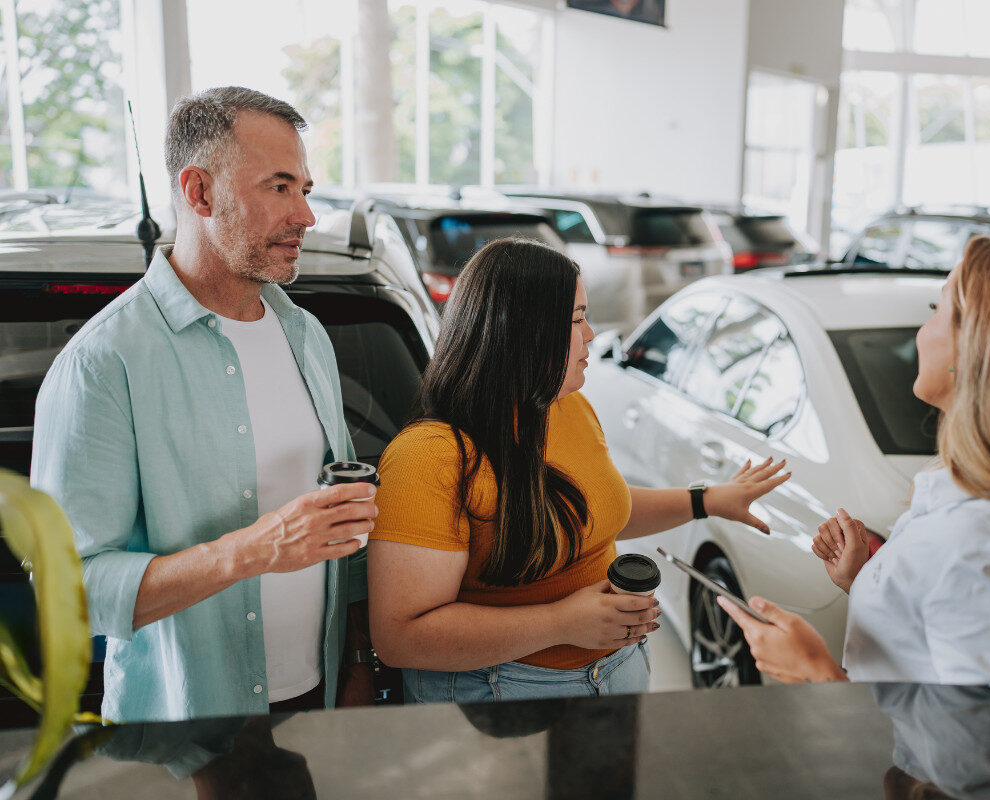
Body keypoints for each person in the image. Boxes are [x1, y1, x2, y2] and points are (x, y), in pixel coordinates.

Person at [31, 86, 376, 722]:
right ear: (199, 193)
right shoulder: (104, 363)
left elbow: (341, 524)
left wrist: (358, 663)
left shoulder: (307, 336)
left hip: (323, 704)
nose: (306, 215)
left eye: (304, 188)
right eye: (279, 187)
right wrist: (251, 551)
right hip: (188, 728)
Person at [368, 237, 788, 702]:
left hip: (617, 668)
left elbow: (593, 511)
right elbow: (400, 637)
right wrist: (561, 623)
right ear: (521, 332)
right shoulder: (429, 458)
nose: (590, 334)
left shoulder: (566, 407)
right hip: (502, 693)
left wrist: (705, 500)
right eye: (575, 319)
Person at [719, 231, 990, 692]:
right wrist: (869, 581)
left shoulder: (980, 546)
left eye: (938, 310)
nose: (922, 331)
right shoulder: (982, 511)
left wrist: (817, 672)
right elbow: (940, 649)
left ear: (975, 348)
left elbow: (987, 735)